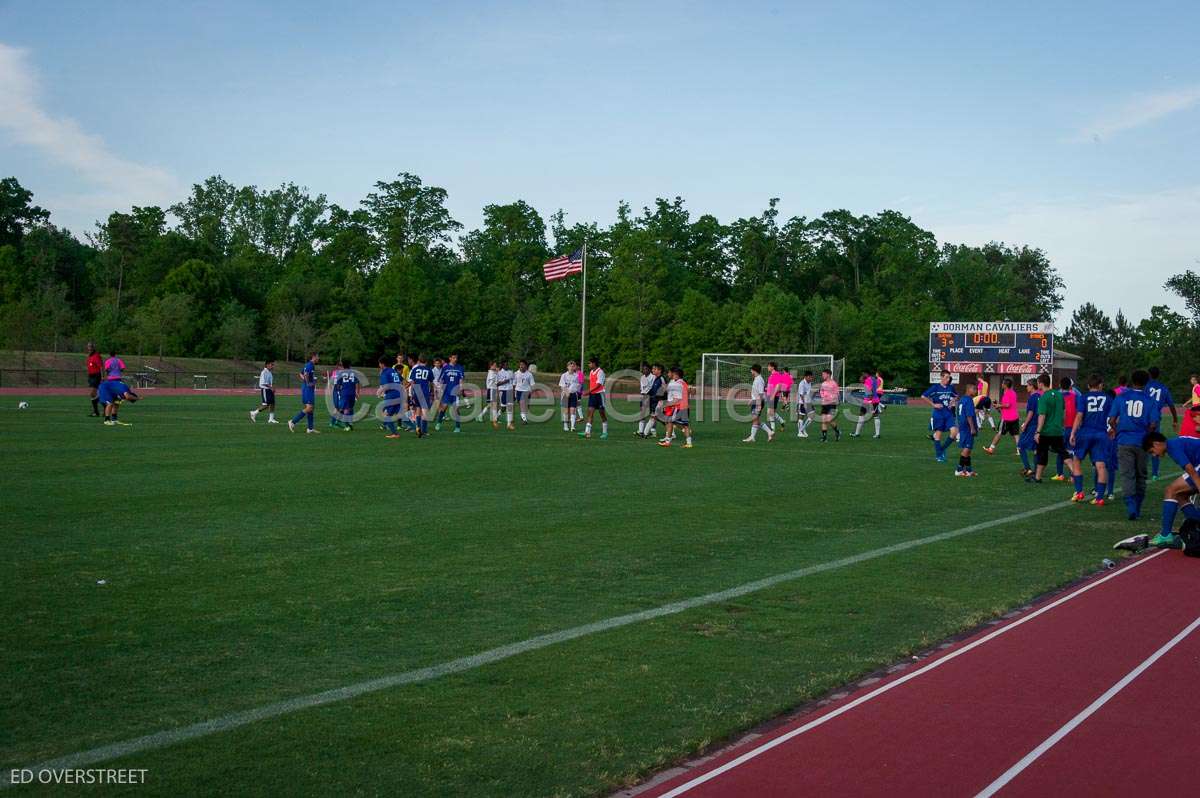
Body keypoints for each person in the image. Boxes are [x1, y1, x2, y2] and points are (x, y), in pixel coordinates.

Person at [1107, 370, 1159, 520]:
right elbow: (1153, 423)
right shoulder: (1150, 400)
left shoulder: (1121, 397)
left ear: (1132, 380)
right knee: (1141, 475)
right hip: (1142, 441)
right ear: (1146, 382)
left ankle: (1130, 506)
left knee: (1127, 475)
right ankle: (1137, 506)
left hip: (1124, 440)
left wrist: (1118, 431)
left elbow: (1111, 420)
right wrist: (1147, 435)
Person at [1144, 431, 1200, 549]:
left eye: (1152, 451)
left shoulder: (1173, 447)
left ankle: (1165, 535)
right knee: (1180, 495)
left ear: (1156, 444)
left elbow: (1191, 471)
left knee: (1171, 490)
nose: (1154, 455)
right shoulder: (1174, 444)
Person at [1068, 374, 1111, 505]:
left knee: (1076, 461)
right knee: (1101, 466)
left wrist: (1073, 433)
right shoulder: (1108, 398)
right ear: (1100, 385)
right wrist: (1112, 428)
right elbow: (1114, 416)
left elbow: (1079, 416)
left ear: (1088, 386)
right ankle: (1099, 498)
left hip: (1085, 432)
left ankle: (1079, 492)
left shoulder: (1083, 397)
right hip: (1101, 434)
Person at [1028, 374, 1066, 484]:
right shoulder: (1059, 394)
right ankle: (1075, 473)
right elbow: (1063, 412)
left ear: (1040, 383)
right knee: (1063, 453)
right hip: (1058, 429)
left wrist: (1038, 431)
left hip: (1046, 431)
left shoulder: (1043, 397)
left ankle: (1037, 477)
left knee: (1042, 453)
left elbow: (1042, 415)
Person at [1145, 366, 1178, 480]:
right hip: (1156, 419)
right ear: (1158, 375)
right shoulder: (1163, 388)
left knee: (1142, 443)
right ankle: (1154, 474)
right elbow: (1171, 405)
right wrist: (1175, 419)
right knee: (1155, 444)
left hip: (1143, 418)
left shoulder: (1145, 385)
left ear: (1149, 374)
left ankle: (1142, 471)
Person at [922, 371, 958, 462]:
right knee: (938, 435)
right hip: (938, 415)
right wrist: (933, 405)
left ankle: (941, 449)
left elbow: (956, 396)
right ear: (941, 377)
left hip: (948, 414)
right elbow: (923, 396)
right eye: (946, 377)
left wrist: (952, 402)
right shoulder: (935, 387)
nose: (948, 379)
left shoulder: (950, 387)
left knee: (954, 433)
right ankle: (939, 456)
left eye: (949, 377)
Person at [656, 367, 693, 448]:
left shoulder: (677, 384)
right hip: (685, 406)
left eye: (671, 373)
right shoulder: (682, 382)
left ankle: (668, 441)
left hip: (679, 407)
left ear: (675, 375)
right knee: (684, 425)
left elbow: (676, 398)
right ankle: (689, 443)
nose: (670, 374)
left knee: (669, 422)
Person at [984, 378, 1020, 455]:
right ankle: (1019, 450)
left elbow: (1007, 405)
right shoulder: (1013, 393)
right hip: (1015, 417)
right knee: (1016, 434)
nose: (1002, 384)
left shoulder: (1007, 393)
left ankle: (991, 448)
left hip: (1007, 418)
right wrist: (999, 406)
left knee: (999, 433)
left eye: (1003, 383)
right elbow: (1009, 404)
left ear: (1005, 385)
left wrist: (998, 405)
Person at [1016, 378, 1042, 476]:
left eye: (1028, 385)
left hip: (1031, 425)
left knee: (1021, 445)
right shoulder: (1040, 396)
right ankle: (1036, 471)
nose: (1027, 387)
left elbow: (1031, 412)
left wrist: (1025, 424)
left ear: (1032, 386)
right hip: (1038, 425)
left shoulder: (1032, 397)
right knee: (1036, 448)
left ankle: (1028, 468)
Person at [433, 353, 465, 433]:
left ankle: (457, 427)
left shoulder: (460, 368)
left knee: (456, 409)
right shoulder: (445, 368)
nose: (455, 359)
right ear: (450, 358)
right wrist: (439, 388)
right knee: (444, 407)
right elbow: (441, 380)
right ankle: (439, 423)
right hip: (446, 392)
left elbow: (461, 379)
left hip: (455, 392)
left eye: (456, 358)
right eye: (454, 358)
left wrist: (461, 389)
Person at [289, 353, 320, 434]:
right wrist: (308, 383)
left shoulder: (308, 364)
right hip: (308, 389)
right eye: (317, 356)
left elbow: (301, 373)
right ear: (314, 357)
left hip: (307, 388)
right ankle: (293, 421)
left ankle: (310, 428)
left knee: (311, 408)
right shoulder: (310, 365)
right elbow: (305, 374)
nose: (318, 358)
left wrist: (307, 381)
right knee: (309, 407)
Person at [579, 357, 609, 440]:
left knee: (602, 414)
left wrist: (588, 391)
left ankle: (605, 432)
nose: (588, 365)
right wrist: (590, 392)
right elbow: (592, 384)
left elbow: (598, 385)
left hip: (599, 395)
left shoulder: (600, 372)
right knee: (590, 413)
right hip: (592, 395)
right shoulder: (591, 372)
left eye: (590, 363)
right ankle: (587, 432)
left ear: (594, 363)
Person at [744, 364, 774, 443]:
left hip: (758, 402)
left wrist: (759, 404)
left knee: (754, 419)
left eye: (751, 370)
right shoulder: (757, 379)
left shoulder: (759, 380)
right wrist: (752, 400)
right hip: (756, 401)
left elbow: (761, 393)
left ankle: (752, 437)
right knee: (756, 419)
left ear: (754, 370)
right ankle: (769, 432)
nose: (751, 371)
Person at [955, 381, 978, 477]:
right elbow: (969, 415)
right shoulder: (968, 400)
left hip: (963, 425)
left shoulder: (962, 400)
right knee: (967, 448)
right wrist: (972, 428)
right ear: (969, 390)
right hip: (968, 427)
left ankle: (968, 470)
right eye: (974, 389)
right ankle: (959, 470)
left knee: (968, 449)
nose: (976, 391)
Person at [378, 356, 405, 438]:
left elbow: (386, 385)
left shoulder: (385, 372)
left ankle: (395, 433)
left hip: (391, 395)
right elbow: (403, 381)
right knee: (400, 415)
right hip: (399, 393)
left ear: (382, 364)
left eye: (379, 363)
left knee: (386, 415)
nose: (379, 365)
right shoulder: (393, 370)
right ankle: (417, 428)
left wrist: (380, 391)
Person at [407, 355, 434, 437]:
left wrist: (412, 393)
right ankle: (424, 431)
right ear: (426, 362)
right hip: (424, 391)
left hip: (416, 390)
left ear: (419, 361)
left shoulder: (415, 369)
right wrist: (432, 392)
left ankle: (417, 427)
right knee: (425, 412)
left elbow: (412, 382)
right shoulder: (428, 369)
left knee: (418, 410)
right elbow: (431, 382)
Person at [852, 369, 882, 439]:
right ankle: (876, 434)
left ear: (866, 374)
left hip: (869, 401)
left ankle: (857, 433)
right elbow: (877, 385)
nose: (862, 375)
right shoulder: (874, 379)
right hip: (873, 400)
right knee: (874, 415)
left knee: (864, 415)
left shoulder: (868, 380)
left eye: (863, 374)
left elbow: (870, 391)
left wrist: (870, 401)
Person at [817, 368, 841, 443]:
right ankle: (824, 437)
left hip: (832, 404)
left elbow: (837, 393)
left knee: (829, 419)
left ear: (828, 374)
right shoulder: (823, 384)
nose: (822, 375)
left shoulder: (834, 383)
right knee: (823, 420)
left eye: (823, 374)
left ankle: (837, 431)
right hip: (824, 404)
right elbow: (821, 391)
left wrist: (832, 398)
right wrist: (823, 396)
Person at [336, 361, 359, 431]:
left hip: (344, 392)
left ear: (343, 366)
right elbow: (357, 383)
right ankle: (348, 424)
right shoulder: (354, 372)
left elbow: (338, 385)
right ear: (350, 365)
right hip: (352, 392)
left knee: (345, 408)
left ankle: (346, 425)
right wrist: (357, 392)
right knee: (349, 408)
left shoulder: (341, 373)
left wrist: (339, 391)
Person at [559, 361, 581, 432]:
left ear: (575, 367)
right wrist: (566, 392)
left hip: (573, 394)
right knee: (566, 411)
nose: (571, 367)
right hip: (565, 395)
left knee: (573, 410)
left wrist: (574, 391)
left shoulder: (577, 376)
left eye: (573, 366)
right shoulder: (564, 375)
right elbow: (562, 386)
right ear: (567, 367)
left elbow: (578, 386)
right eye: (570, 366)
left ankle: (572, 427)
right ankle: (565, 426)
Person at [513, 360, 535, 425]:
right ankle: (524, 419)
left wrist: (532, 391)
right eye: (520, 365)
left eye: (523, 365)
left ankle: (523, 418)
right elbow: (514, 384)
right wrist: (513, 393)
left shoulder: (529, 374)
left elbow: (532, 384)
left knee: (525, 406)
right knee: (521, 405)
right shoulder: (516, 373)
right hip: (518, 391)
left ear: (526, 366)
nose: (521, 366)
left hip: (527, 391)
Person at [636, 363, 656, 438]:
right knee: (642, 414)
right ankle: (640, 431)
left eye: (646, 369)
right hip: (644, 397)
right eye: (643, 369)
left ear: (650, 370)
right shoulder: (642, 377)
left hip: (651, 397)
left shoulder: (653, 377)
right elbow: (642, 389)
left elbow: (652, 388)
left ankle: (653, 431)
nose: (644, 370)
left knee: (653, 415)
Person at [495, 359, 514, 430]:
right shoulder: (499, 373)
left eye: (507, 364)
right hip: (502, 391)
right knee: (503, 408)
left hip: (509, 390)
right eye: (505, 365)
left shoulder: (511, 372)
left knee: (509, 407)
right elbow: (497, 383)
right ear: (502, 365)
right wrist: (505, 381)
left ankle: (509, 424)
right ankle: (496, 417)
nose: (507, 366)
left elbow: (513, 382)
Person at [86, 342, 103, 417]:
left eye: (90, 346)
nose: (89, 348)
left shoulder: (96, 355)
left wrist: (102, 377)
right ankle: (97, 411)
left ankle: (97, 412)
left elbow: (101, 367)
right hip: (91, 376)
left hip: (96, 376)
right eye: (88, 346)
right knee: (94, 395)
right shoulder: (89, 356)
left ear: (93, 347)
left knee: (92, 394)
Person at [795, 370, 814, 438]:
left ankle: (802, 430)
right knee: (801, 417)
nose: (811, 378)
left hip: (808, 402)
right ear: (806, 377)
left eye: (812, 377)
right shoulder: (802, 383)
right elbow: (801, 395)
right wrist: (805, 403)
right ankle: (800, 432)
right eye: (810, 377)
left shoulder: (809, 383)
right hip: (802, 403)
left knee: (811, 416)